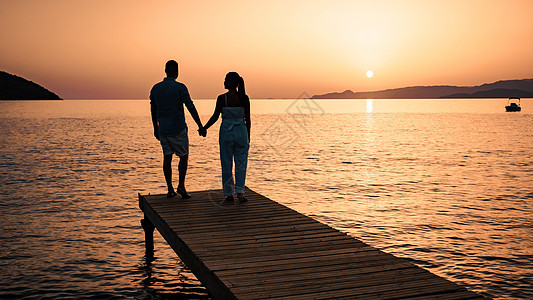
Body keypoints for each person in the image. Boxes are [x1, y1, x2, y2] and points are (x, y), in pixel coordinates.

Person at [150, 60, 204, 198]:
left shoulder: (155, 88)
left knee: (167, 158)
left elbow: (153, 110)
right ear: (176, 71)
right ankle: (181, 186)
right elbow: (190, 106)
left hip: (163, 129)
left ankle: (170, 189)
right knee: (183, 157)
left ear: (165, 70)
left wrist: (155, 128)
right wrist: (199, 125)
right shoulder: (180, 87)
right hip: (178, 128)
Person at [201, 72, 250, 204]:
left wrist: (204, 127)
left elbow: (215, 116)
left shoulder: (222, 98)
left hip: (227, 133)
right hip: (241, 132)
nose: (223, 82)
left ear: (230, 83)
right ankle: (240, 193)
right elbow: (248, 120)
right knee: (241, 164)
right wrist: (248, 137)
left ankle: (229, 194)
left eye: (226, 80)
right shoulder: (244, 98)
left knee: (226, 162)